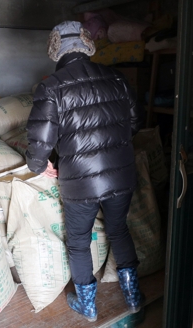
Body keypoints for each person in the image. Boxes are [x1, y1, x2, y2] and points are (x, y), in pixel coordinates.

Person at [25, 20, 144, 322]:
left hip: (80, 182)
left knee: (79, 240)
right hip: (121, 174)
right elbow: (134, 122)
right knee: (119, 229)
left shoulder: (51, 87)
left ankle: (88, 307)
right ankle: (133, 296)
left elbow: (41, 141)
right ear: (86, 44)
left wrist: (40, 165)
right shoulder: (116, 78)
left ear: (56, 49)